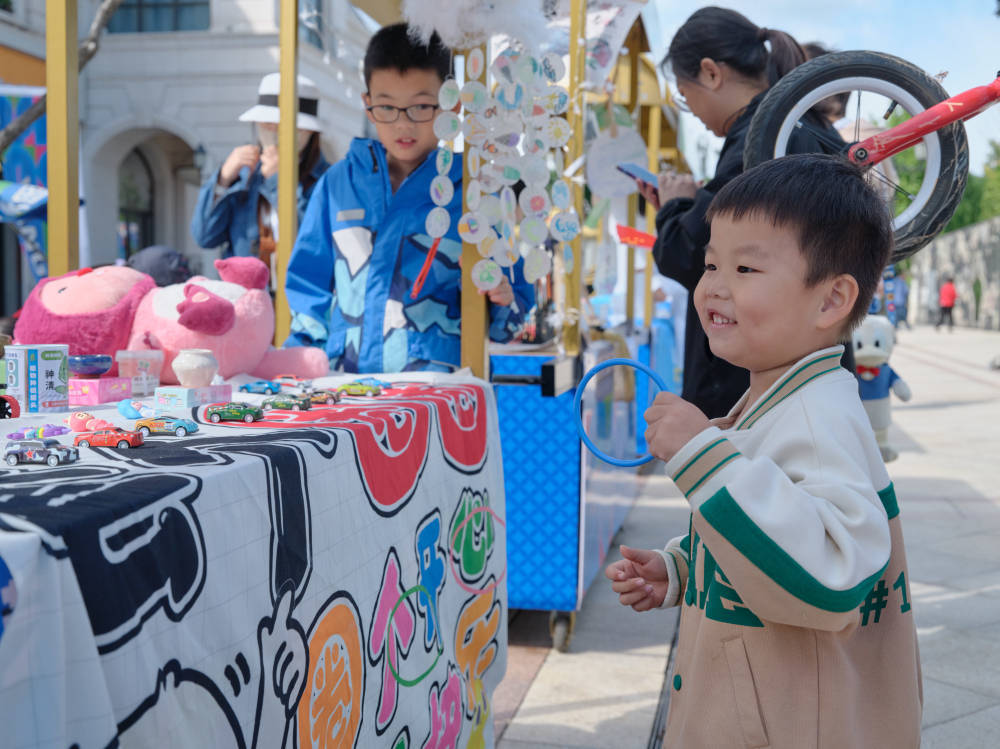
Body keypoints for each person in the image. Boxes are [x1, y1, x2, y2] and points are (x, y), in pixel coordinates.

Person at [607, 154, 921, 747]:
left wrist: (703, 455)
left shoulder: (819, 419)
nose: (713, 287)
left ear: (831, 301)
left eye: (746, 267)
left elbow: (827, 577)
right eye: (709, 263)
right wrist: (683, 568)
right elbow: (779, 525)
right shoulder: (779, 398)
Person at [284, 23, 532, 372]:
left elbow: (513, 319)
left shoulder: (475, 193)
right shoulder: (337, 185)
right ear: (366, 102)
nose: (403, 125)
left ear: (452, 105)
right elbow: (308, 288)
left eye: (420, 107)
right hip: (343, 392)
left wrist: (503, 298)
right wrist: (299, 367)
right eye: (386, 107)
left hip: (439, 399)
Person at [640, 7, 848, 418]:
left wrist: (676, 206)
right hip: (813, 370)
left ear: (711, 73)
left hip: (758, 385)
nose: (694, 113)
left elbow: (686, 252)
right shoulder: (808, 124)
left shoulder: (757, 144)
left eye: (686, 95)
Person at [190, 73, 331, 267]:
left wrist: (278, 181)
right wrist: (223, 180)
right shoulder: (245, 172)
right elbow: (204, 236)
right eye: (266, 125)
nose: (272, 133)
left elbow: (311, 240)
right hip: (244, 291)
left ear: (307, 132)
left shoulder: (327, 180)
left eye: (282, 128)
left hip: (298, 291)